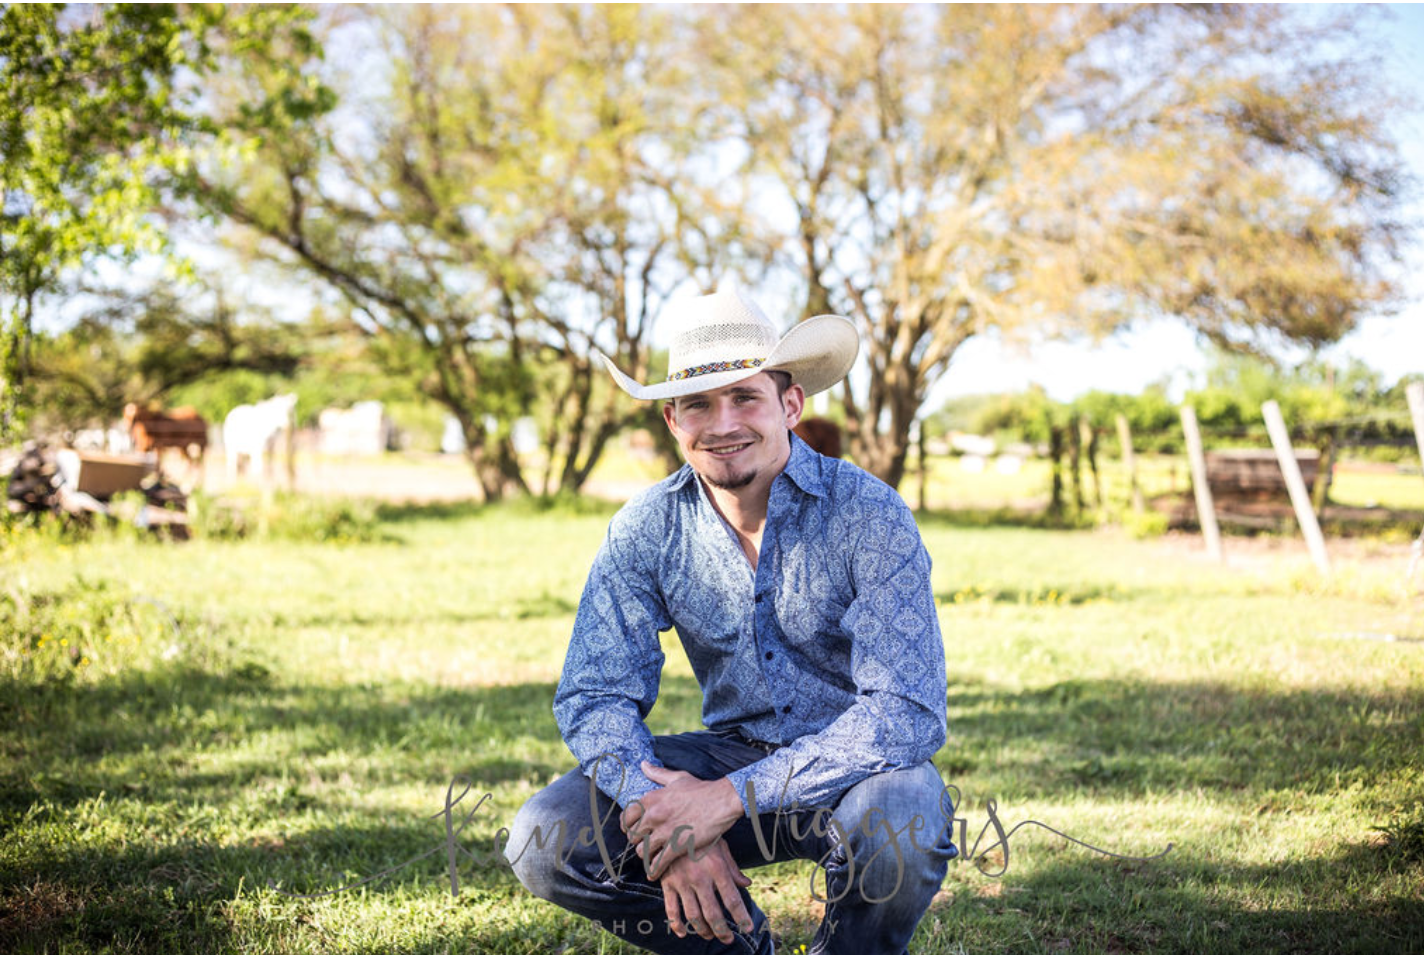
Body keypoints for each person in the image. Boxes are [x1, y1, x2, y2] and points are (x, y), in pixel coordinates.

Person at [506, 286, 955, 955]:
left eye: (745, 396)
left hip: (860, 771)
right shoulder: (646, 528)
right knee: (544, 840)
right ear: (672, 420)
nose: (722, 423)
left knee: (903, 821)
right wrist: (669, 828)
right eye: (698, 404)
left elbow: (906, 712)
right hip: (730, 751)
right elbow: (594, 695)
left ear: (790, 404)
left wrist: (725, 801)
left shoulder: (869, 513)